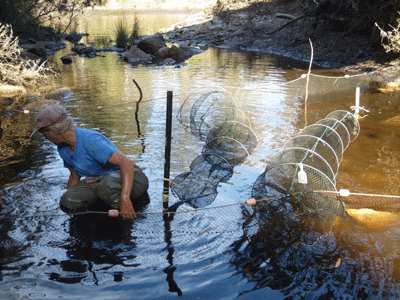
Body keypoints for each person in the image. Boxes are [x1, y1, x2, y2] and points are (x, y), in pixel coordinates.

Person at [30, 104, 149, 219]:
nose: (46, 138)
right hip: (101, 182)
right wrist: (66, 196)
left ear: (53, 131)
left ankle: (125, 223)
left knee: (106, 185)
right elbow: (74, 176)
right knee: (69, 201)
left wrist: (125, 198)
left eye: (45, 134)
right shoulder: (62, 148)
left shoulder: (90, 140)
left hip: (131, 178)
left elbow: (127, 163)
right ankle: (102, 212)